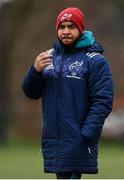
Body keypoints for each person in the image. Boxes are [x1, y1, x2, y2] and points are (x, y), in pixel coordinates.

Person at [22, 7, 114, 179]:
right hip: (54, 143)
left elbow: (103, 101)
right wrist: (35, 71)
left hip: (78, 141)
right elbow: (30, 92)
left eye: (71, 26)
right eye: (62, 26)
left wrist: (85, 134)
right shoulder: (47, 58)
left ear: (80, 29)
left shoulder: (95, 61)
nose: (65, 31)